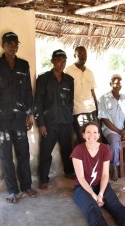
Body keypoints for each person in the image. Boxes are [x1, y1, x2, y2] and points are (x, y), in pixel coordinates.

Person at [0, 32, 37, 203]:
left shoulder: (24, 65)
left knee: (24, 153)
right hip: (3, 119)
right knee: (6, 155)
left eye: (16, 43)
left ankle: (27, 186)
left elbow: (28, 91)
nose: (13, 46)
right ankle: (12, 191)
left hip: (20, 117)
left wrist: (30, 114)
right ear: (3, 45)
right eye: (9, 43)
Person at [70, 122, 125, 226]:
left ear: (99, 135)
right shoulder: (78, 150)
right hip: (82, 187)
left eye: (95, 132)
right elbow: (80, 178)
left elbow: (105, 175)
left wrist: (101, 193)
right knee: (93, 209)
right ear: (84, 135)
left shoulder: (104, 148)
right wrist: (93, 195)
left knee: (115, 205)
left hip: (100, 184)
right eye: (88, 132)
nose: (91, 135)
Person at [34, 49, 75, 189]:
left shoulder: (69, 80)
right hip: (49, 124)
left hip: (65, 122)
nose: (62, 63)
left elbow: (70, 102)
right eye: (59, 60)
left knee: (67, 149)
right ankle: (43, 179)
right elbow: (38, 103)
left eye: (64, 60)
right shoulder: (43, 79)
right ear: (52, 61)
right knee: (45, 151)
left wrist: (68, 117)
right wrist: (41, 124)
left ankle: (69, 172)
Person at [65, 46, 98, 143]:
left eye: (85, 54)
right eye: (80, 54)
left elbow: (92, 91)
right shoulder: (69, 70)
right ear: (74, 55)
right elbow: (66, 92)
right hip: (77, 111)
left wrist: (97, 108)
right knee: (83, 139)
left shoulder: (90, 72)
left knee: (94, 139)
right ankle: (85, 158)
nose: (83, 56)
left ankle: (93, 158)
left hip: (91, 111)